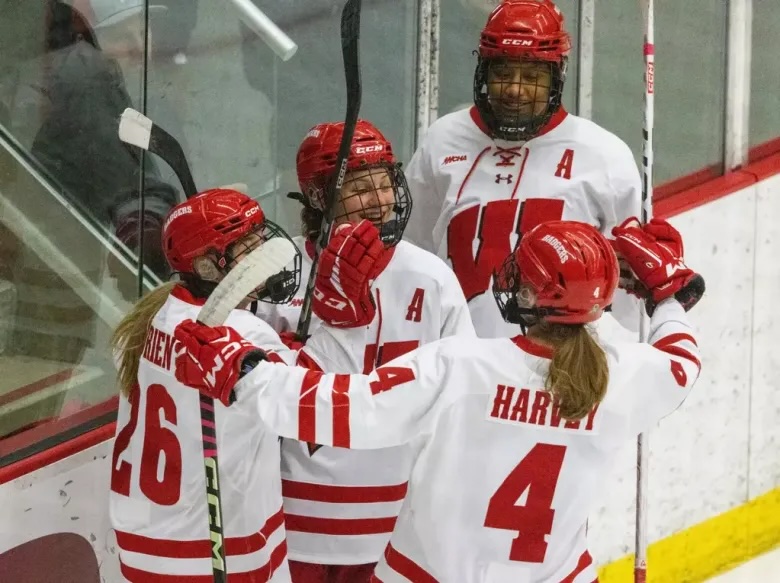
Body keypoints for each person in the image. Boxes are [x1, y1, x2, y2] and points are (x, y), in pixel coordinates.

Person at [173, 217, 704, 583]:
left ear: (523, 296)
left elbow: (340, 410)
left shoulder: (463, 369)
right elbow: (681, 363)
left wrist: (243, 373)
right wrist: (669, 298)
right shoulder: (624, 377)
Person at [255, 120, 475, 582]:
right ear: (318, 197)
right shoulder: (278, 278)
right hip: (293, 522)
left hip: (398, 527)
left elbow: (464, 402)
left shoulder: (431, 278)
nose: (379, 200)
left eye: (384, 183)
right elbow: (251, 398)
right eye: (359, 187)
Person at [404, 0, 643, 338]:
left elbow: (625, 288)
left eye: (532, 76)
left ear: (557, 77)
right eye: (502, 73)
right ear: (483, 71)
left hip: (561, 372)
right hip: (460, 368)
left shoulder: (605, 157)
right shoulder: (442, 140)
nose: (515, 89)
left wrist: (620, 370)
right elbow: (413, 259)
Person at [108, 187, 303, 581]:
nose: (263, 258)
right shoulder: (244, 332)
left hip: (145, 542)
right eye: (247, 247)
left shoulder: (149, 317)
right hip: (220, 548)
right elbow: (307, 408)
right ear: (208, 267)